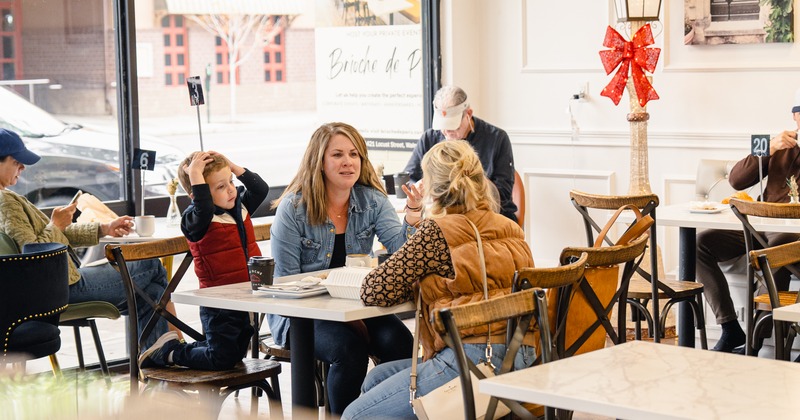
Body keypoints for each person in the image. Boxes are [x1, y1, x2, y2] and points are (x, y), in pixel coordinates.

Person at [342, 140, 535, 420]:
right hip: (524, 358)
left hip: (472, 361)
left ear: (432, 186)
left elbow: (375, 290)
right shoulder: (510, 227)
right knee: (377, 378)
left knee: (353, 416)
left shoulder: (436, 231)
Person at [267, 122, 420, 414]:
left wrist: (412, 217)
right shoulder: (293, 208)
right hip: (299, 315)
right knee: (348, 350)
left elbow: (404, 253)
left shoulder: (372, 201)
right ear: (319, 162)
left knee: (401, 343)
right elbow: (286, 283)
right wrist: (341, 310)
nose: (348, 162)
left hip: (357, 307)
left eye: (354, 154)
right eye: (337, 154)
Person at [0, 128, 168, 350]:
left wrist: (104, 228)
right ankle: (171, 355)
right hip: (58, 289)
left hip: (52, 287)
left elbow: (52, 238)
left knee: (151, 294)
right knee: (151, 265)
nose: (23, 167)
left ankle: (162, 358)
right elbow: (33, 256)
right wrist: (56, 224)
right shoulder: (6, 202)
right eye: (16, 161)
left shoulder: (7, 198)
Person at [139, 151, 269, 370]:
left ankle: (177, 346)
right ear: (196, 194)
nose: (230, 190)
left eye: (231, 181)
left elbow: (261, 189)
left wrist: (232, 166)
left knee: (233, 354)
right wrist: (195, 175)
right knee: (222, 358)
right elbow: (205, 207)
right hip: (218, 302)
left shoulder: (240, 206)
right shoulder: (196, 218)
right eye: (220, 186)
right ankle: (170, 353)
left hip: (246, 297)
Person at [698, 90, 800, 353]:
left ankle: (756, 343)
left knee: (775, 249)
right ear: (794, 117)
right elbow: (736, 180)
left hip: (792, 233)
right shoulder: (776, 144)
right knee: (700, 243)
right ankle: (730, 328)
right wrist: (769, 146)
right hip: (759, 225)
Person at [403, 85, 518, 222]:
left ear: (468, 114)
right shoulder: (429, 138)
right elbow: (409, 178)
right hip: (441, 217)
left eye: (453, 126)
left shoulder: (497, 139)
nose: (447, 133)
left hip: (487, 217)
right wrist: (420, 189)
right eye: (442, 127)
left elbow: (502, 195)